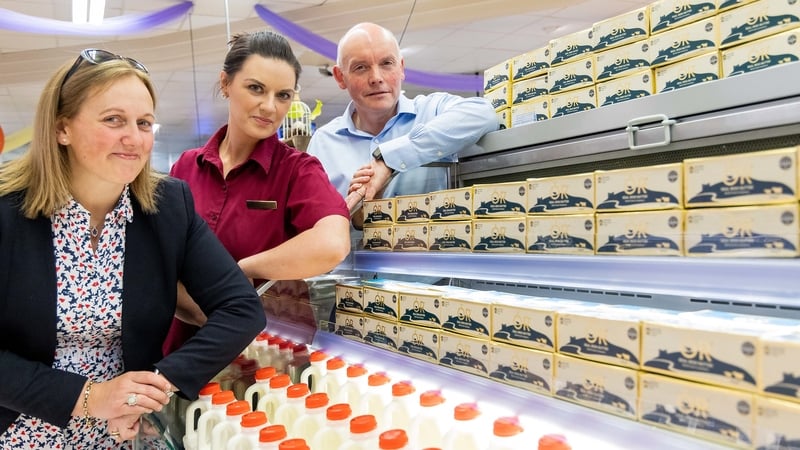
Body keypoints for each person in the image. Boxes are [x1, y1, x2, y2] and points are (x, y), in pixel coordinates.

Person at [0, 49, 265, 448]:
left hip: (130, 430)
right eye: (113, 120)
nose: (134, 138)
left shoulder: (168, 206)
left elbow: (242, 310)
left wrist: (152, 387)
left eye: (144, 123)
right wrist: (91, 398)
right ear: (61, 129)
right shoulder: (8, 212)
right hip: (22, 427)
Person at [163, 31, 351, 352]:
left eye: (283, 95)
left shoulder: (297, 170)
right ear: (226, 84)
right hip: (184, 348)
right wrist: (209, 312)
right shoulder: (186, 167)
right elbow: (161, 261)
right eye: (255, 88)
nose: (269, 107)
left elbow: (332, 244)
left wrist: (241, 270)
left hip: (266, 355)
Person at [306, 22, 499, 211]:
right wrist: (352, 214)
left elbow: (484, 113)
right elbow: (311, 223)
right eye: (361, 68)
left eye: (386, 63)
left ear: (401, 68)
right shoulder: (323, 143)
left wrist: (390, 159)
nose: (376, 78)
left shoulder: (432, 111)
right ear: (340, 77)